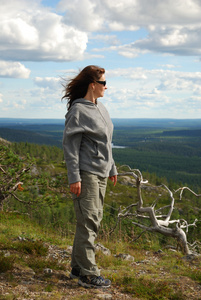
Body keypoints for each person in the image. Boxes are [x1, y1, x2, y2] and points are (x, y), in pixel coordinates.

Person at [62, 65, 117, 289]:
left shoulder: (100, 107)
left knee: (89, 219)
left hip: (101, 172)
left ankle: (77, 267)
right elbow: (70, 147)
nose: (106, 86)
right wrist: (74, 177)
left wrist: (111, 167)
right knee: (89, 221)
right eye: (103, 83)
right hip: (87, 173)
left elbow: (106, 142)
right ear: (92, 85)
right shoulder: (78, 111)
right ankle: (88, 274)